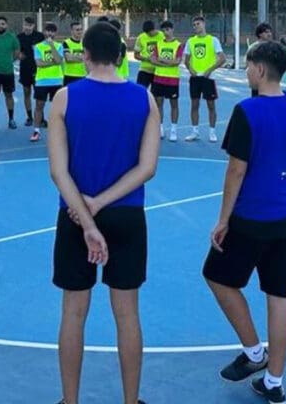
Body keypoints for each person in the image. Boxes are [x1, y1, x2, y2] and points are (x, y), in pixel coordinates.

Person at [203, 40, 286, 403]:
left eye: (249, 66)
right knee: (280, 295)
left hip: (252, 217)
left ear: (257, 70)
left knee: (218, 277)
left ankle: (255, 352)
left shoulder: (247, 111)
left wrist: (223, 219)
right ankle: (274, 381)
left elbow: (236, 170)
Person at [48, 22, 159, 404]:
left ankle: (70, 400)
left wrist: (86, 210)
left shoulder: (64, 98)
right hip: (126, 214)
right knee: (127, 314)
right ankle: (131, 401)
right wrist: (101, 203)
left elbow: (58, 171)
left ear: (86, 54)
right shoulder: (144, 99)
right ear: (120, 55)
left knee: (74, 313)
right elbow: (146, 168)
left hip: (75, 217)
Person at [184, 15, 225, 143]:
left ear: (204, 24)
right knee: (194, 105)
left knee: (211, 105)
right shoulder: (191, 41)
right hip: (195, 78)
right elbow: (186, 60)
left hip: (208, 78)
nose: (196, 26)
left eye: (198, 24)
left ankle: (212, 132)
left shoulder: (213, 40)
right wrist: (190, 69)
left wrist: (210, 70)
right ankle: (194, 131)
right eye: (194, 25)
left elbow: (222, 59)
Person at [29, 22, 65, 143]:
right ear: (44, 32)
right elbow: (39, 63)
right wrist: (53, 62)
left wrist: (52, 46)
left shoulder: (59, 46)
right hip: (42, 81)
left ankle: (58, 131)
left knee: (57, 107)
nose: (50, 33)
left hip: (56, 80)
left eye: (52, 31)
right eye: (48, 31)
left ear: (55, 33)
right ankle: (36, 130)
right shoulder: (38, 47)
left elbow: (59, 60)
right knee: (39, 105)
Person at [151, 20, 183, 142]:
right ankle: (160, 127)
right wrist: (167, 63)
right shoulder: (158, 44)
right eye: (163, 30)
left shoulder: (178, 45)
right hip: (159, 77)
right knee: (159, 103)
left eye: (168, 30)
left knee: (174, 104)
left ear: (172, 29)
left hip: (172, 79)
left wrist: (161, 60)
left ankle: (173, 129)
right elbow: (153, 60)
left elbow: (177, 61)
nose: (166, 32)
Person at [16, 17, 45, 127]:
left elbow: (45, 50)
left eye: (30, 25)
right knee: (26, 92)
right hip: (25, 68)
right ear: (23, 25)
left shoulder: (39, 36)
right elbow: (15, 51)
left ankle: (41, 118)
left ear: (33, 26)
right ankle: (29, 117)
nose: (27, 27)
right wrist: (18, 55)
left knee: (39, 95)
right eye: (26, 25)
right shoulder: (19, 37)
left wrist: (37, 49)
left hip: (38, 69)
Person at [133, 20, 163, 90]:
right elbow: (136, 55)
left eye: (150, 33)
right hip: (145, 70)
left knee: (157, 95)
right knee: (139, 92)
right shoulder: (141, 37)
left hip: (158, 71)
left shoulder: (162, 36)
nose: (148, 35)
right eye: (146, 33)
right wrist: (147, 59)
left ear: (154, 29)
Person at [248, 23, 274, 97]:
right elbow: (248, 64)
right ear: (259, 34)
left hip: (270, 81)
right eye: (266, 32)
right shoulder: (253, 47)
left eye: (270, 32)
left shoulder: (273, 47)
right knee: (257, 102)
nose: (269, 34)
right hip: (258, 80)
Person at [61, 21, 87, 86]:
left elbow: (88, 58)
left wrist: (74, 57)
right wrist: (81, 57)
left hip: (82, 75)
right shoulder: (66, 43)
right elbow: (68, 59)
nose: (80, 32)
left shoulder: (85, 43)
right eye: (77, 30)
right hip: (69, 75)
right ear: (72, 31)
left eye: (81, 29)